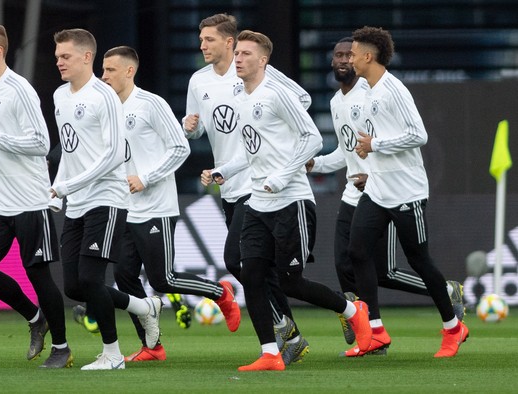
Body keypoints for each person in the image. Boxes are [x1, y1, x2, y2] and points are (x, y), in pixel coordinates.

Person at [211, 30, 372, 371]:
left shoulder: (277, 94)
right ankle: (270, 353)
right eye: (236, 53)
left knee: (290, 281)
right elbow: (251, 150)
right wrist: (224, 169)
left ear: (263, 60)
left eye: (245, 54)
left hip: (292, 201)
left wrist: (282, 175)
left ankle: (351, 310)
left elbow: (312, 138)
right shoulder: (240, 97)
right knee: (250, 273)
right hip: (258, 202)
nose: (238, 59)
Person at [306, 37, 465, 356]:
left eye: (351, 53)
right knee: (356, 252)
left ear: (366, 56)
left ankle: (453, 326)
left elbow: (418, 135)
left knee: (419, 260)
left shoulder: (391, 89)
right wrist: (325, 163)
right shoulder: (357, 96)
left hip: (406, 189)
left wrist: (374, 148)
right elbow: (355, 146)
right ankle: (375, 331)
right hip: (376, 188)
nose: (346, 59)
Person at [99, 46, 241, 361]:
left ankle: (221, 293)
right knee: (123, 277)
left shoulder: (151, 104)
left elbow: (180, 148)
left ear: (128, 71)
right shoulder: (104, 109)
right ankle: (152, 346)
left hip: (156, 208)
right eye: (103, 70)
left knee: (163, 279)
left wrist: (145, 178)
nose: (104, 76)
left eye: (110, 70)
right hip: (124, 208)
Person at [183, 13, 310, 365]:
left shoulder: (255, 74)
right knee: (255, 267)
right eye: (200, 38)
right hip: (229, 183)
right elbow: (195, 130)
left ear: (229, 42)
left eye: (209, 39)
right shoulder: (198, 81)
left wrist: (277, 145)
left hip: (260, 184)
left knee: (238, 261)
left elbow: (301, 101)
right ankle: (289, 333)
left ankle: (285, 331)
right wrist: (189, 126)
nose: (202, 45)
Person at [50, 28, 162, 370]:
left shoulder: (104, 97)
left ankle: (113, 355)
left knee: (90, 279)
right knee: (74, 286)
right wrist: (59, 189)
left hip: (108, 198)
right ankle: (143, 307)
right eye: (57, 57)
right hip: (76, 201)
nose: (59, 62)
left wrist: (69, 186)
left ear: (87, 57)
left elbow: (114, 154)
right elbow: (69, 152)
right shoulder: (59, 96)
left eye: (65, 56)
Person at [0, 21, 72, 368]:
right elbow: (0, 137)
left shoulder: (20, 89)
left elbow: (41, 144)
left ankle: (61, 347)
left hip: (30, 202)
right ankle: (33, 318)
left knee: (39, 276)